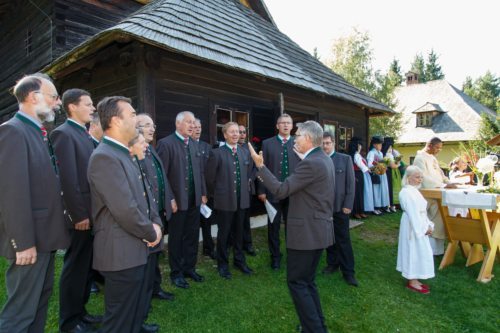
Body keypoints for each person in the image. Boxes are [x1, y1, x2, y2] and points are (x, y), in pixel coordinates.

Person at [249, 121, 334, 333]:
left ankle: (314, 329)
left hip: (306, 233)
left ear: (307, 138)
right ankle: (314, 325)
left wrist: (260, 166)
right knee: (307, 282)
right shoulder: (322, 158)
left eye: (298, 136)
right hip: (318, 231)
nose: (295, 139)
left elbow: (280, 190)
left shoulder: (311, 163)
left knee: (297, 283)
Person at [0, 74, 70, 332]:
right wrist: (24, 242)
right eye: (53, 97)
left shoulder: (37, 133)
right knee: (19, 313)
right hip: (30, 242)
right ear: (32, 97)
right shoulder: (13, 132)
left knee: (39, 302)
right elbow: (12, 194)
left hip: (44, 238)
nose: (57, 103)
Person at [87, 96, 162, 333]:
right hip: (120, 254)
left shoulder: (121, 153)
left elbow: (143, 197)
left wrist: (154, 223)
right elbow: (125, 209)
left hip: (132, 248)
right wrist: (152, 231)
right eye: (131, 115)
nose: (137, 121)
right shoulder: (105, 156)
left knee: (130, 318)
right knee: (118, 323)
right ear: (117, 121)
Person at [51, 89, 102, 333]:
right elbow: (68, 180)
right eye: (88, 104)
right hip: (79, 217)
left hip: (91, 214)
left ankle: (81, 313)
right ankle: (69, 322)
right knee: (74, 268)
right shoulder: (63, 133)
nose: (93, 108)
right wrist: (78, 215)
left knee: (85, 267)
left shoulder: (83, 134)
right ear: (72, 107)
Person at [156, 111, 207, 289]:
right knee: (176, 238)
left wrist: (202, 193)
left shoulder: (194, 144)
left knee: (192, 236)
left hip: (195, 200)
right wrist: (169, 198)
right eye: (188, 122)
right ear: (178, 124)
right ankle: (176, 273)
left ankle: (189, 268)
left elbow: (200, 172)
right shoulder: (165, 144)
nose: (192, 125)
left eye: (194, 122)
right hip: (177, 202)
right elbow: (161, 175)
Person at [136, 114, 176, 302]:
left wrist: (169, 200)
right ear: (136, 128)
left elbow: (163, 178)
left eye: (153, 125)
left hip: (158, 211)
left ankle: (155, 288)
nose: (152, 129)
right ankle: (144, 295)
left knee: (156, 253)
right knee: (147, 255)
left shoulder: (151, 150)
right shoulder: (135, 152)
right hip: (145, 215)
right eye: (147, 125)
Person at [206, 122, 254, 279]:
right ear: (225, 135)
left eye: (237, 132)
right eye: (231, 132)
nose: (235, 134)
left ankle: (239, 261)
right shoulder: (217, 153)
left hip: (242, 201)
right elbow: (210, 179)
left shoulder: (244, 152)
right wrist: (219, 194)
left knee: (239, 233)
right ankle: (223, 264)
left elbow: (247, 175)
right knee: (224, 234)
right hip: (225, 201)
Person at [129, 131, 162, 333]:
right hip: (139, 234)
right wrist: (150, 231)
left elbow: (150, 198)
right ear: (131, 145)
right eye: (142, 143)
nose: (146, 146)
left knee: (145, 279)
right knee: (136, 285)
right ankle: (135, 323)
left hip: (150, 229)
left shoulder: (139, 163)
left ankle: (139, 321)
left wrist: (156, 224)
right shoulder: (127, 165)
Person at [257, 113, 300, 270]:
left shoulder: (298, 142)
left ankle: (293, 256)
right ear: (277, 126)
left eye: (288, 123)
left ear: (292, 125)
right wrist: (261, 190)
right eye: (282, 123)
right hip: (273, 193)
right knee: (273, 227)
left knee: (293, 227)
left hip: (294, 193)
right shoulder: (267, 144)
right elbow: (262, 167)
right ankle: (275, 257)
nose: (286, 125)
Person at [321, 133, 358, 286]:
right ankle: (332, 264)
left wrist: (348, 205)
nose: (325, 146)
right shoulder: (318, 160)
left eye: (328, 143)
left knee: (343, 240)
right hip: (323, 208)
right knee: (329, 239)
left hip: (340, 208)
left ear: (334, 143)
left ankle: (348, 272)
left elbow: (350, 184)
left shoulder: (345, 159)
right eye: (322, 143)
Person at [412, 137, 456, 255]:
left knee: (440, 219)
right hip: (427, 194)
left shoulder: (432, 158)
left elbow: (440, 174)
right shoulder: (419, 158)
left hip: (438, 193)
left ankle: (438, 250)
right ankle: (429, 249)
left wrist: (448, 182)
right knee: (431, 220)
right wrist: (442, 185)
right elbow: (423, 177)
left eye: (441, 148)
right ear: (429, 145)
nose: (439, 150)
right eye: (437, 147)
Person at [396, 165, 435, 294]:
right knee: (412, 250)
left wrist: (429, 224)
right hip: (412, 226)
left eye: (421, 177)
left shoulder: (415, 191)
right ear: (408, 178)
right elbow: (413, 213)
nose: (420, 180)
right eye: (417, 177)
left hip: (419, 223)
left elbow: (422, 211)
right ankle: (412, 281)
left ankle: (416, 278)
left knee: (420, 251)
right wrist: (423, 229)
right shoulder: (406, 192)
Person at [191, 118, 216, 260]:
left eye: (200, 127)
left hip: (207, 194)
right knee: (192, 225)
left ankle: (208, 248)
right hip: (191, 194)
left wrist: (206, 193)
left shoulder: (207, 147)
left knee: (207, 222)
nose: (198, 129)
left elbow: (210, 172)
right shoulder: (186, 146)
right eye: (195, 127)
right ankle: (190, 251)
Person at [238, 124, 256, 256]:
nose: (242, 134)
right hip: (232, 191)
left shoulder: (251, 148)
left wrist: (250, 178)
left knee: (245, 219)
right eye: (239, 132)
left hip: (247, 189)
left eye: (244, 132)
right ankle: (233, 243)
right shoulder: (226, 148)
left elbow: (257, 167)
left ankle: (247, 244)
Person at [367, 136, 390, 213]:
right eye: (379, 144)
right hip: (376, 173)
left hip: (382, 174)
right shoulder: (371, 153)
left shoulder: (380, 153)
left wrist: (384, 166)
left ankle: (382, 205)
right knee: (376, 190)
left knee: (383, 190)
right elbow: (369, 164)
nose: (381, 146)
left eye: (381, 144)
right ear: (374, 145)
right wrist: (378, 167)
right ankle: (375, 207)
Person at [348, 138, 368, 218]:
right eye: (359, 145)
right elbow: (360, 165)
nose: (360, 147)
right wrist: (368, 170)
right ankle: (356, 212)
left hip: (360, 174)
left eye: (360, 145)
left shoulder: (358, 155)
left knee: (360, 193)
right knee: (357, 193)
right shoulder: (355, 155)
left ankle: (360, 211)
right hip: (356, 174)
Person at [382, 137, 401, 212]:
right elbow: (393, 165)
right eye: (389, 147)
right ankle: (389, 204)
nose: (390, 148)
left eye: (391, 147)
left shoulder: (392, 154)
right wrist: (397, 163)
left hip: (394, 172)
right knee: (390, 188)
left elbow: (397, 162)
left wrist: (397, 162)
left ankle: (394, 204)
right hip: (389, 172)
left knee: (395, 187)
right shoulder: (386, 155)